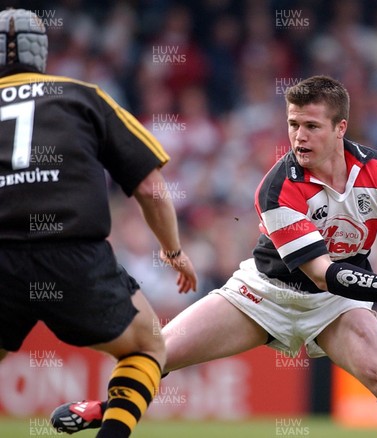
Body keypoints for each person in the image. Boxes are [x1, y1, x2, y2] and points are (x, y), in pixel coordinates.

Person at [52, 75, 377, 437]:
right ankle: (104, 409)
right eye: (293, 124)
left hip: (336, 306)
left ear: (340, 128)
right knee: (157, 353)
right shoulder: (278, 188)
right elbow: (319, 272)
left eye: (312, 126)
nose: (299, 136)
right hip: (263, 295)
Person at [0, 8, 198, 438]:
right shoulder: (82, 96)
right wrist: (173, 251)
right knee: (148, 347)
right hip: (75, 257)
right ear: (41, 52)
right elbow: (150, 187)